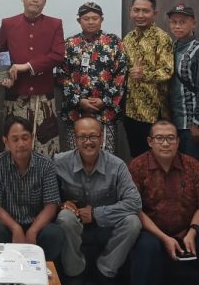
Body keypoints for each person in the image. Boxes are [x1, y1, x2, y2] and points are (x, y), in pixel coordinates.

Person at [128, 120, 199, 285]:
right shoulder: (137, 166)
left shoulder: (192, 165)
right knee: (147, 250)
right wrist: (164, 238)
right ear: (150, 141)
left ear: (178, 141)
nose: (165, 143)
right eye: (159, 138)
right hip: (152, 233)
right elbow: (134, 209)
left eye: (170, 138)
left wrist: (193, 232)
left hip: (188, 230)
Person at [54, 117, 142, 284]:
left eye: (93, 136)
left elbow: (134, 203)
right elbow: (47, 196)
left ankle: (106, 269)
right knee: (65, 217)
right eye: (82, 137)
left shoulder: (117, 165)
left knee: (133, 222)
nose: (88, 142)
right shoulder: (59, 162)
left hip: (106, 224)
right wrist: (60, 204)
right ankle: (74, 272)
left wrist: (96, 213)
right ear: (75, 139)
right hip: (74, 223)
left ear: (101, 138)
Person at [0, 0, 65, 156]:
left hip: (43, 99)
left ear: (45, 0)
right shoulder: (8, 23)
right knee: (15, 148)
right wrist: (3, 78)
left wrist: (27, 66)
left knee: (45, 149)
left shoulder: (55, 24)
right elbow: (0, 54)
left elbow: (58, 55)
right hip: (15, 97)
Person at [0, 115, 64, 262]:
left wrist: (33, 230)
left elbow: (51, 205)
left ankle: (43, 271)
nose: (21, 144)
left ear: (32, 138)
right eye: (15, 139)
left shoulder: (46, 165)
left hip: (37, 225)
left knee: (54, 232)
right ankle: (3, 271)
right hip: (7, 225)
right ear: (6, 141)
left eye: (25, 138)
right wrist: (15, 228)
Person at [58, 2, 126, 152]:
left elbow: (121, 74)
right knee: (75, 156)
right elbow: (62, 75)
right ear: (79, 20)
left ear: (101, 19)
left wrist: (105, 100)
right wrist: (79, 100)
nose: (90, 22)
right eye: (86, 18)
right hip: (76, 111)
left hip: (105, 112)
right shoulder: (69, 44)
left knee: (106, 156)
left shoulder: (114, 42)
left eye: (95, 18)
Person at [122, 0, 174, 158]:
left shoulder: (162, 38)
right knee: (137, 158)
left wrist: (144, 74)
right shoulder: (128, 39)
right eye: (136, 10)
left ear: (154, 13)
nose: (140, 15)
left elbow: (167, 71)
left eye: (145, 11)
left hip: (153, 112)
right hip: (131, 109)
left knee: (155, 159)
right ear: (130, 11)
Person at [166, 4, 199, 172]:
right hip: (175, 121)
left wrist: (198, 123)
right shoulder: (171, 47)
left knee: (194, 170)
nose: (177, 26)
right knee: (177, 171)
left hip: (192, 124)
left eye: (182, 22)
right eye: (174, 22)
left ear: (193, 23)